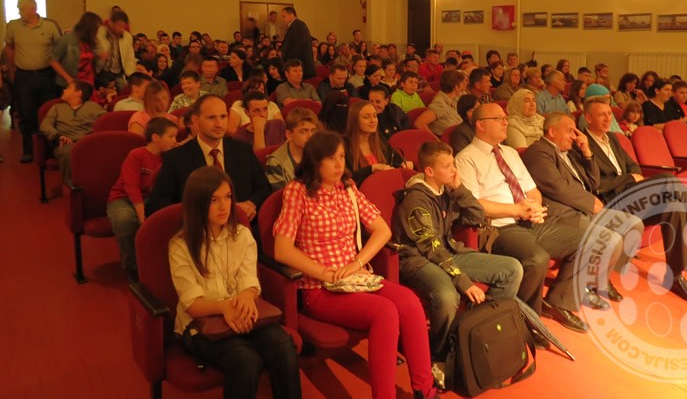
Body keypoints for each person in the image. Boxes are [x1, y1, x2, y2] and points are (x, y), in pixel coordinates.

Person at [273, 132, 440, 399]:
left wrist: (357, 262)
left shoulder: (348, 188)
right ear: (315, 161)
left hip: (355, 277)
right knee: (385, 312)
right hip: (320, 287)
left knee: (409, 302)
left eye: (341, 157)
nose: (339, 164)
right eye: (331, 158)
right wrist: (326, 273)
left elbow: (382, 231)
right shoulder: (298, 191)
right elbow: (282, 250)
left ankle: (425, 389)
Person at [583, 101, 687, 303]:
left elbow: (634, 166)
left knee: (674, 208)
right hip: (612, 203)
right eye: (602, 115)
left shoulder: (613, 139)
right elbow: (596, 185)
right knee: (667, 179)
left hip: (633, 197)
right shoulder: (582, 145)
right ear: (588, 118)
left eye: (609, 113)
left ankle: (675, 276)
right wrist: (629, 178)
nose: (608, 118)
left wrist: (632, 177)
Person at [454, 102, 588, 332]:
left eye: (505, 118)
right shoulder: (466, 158)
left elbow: (532, 190)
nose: (505, 122)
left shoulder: (510, 153)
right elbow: (474, 205)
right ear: (480, 125)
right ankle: (527, 320)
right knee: (537, 258)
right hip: (498, 228)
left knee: (587, 238)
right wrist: (516, 209)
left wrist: (534, 206)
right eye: (498, 118)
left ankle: (558, 302)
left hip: (528, 221)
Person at [169, 167, 301, 399]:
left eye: (228, 197)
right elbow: (192, 305)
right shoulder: (181, 245)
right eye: (214, 200)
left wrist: (247, 297)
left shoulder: (241, 235)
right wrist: (225, 307)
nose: (224, 206)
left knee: (283, 346)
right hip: (201, 323)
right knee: (245, 360)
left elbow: (250, 281)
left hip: (241, 311)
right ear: (197, 203)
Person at [394, 141, 524, 363]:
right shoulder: (416, 200)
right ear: (429, 171)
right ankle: (437, 353)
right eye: (447, 166)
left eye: (453, 164)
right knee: (447, 296)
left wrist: (460, 189)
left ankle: (475, 333)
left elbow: (476, 216)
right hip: (418, 259)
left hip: (447, 251)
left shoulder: (446, 191)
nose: (454, 170)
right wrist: (463, 282)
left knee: (512, 269)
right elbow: (431, 248)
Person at [522, 112, 643, 305]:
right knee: (611, 240)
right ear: (552, 131)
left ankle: (600, 279)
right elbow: (558, 187)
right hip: (563, 212)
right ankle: (585, 286)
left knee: (633, 224)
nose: (574, 136)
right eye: (570, 131)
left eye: (575, 131)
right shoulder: (539, 151)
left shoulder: (570, 151)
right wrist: (590, 202)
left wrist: (586, 151)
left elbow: (594, 183)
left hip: (582, 207)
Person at [146, 95, 271, 221]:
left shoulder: (242, 150)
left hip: (241, 224)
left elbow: (264, 188)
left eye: (223, 117)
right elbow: (155, 204)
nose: (219, 124)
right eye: (211, 118)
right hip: (198, 226)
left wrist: (251, 203)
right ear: (195, 120)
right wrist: (201, 212)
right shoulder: (176, 158)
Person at [107, 117, 177, 281]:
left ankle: (162, 268)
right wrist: (142, 215)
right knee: (125, 221)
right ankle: (134, 271)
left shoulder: (169, 157)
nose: (175, 141)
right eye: (171, 136)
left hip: (151, 199)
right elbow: (131, 187)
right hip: (123, 198)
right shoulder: (137, 155)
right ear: (156, 137)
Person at [4, 0, 62, 162]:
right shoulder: (13, 26)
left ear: (33, 9)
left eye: (21, 9)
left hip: (47, 76)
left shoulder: (50, 26)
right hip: (24, 76)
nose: (19, 12)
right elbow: (9, 48)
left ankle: (49, 150)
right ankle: (29, 150)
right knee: (26, 114)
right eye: (19, 9)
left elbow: (59, 49)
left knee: (48, 113)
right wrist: (12, 70)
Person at [40, 80, 106, 185]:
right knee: (69, 152)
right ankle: (71, 187)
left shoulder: (94, 107)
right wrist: (58, 135)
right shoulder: (57, 108)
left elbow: (107, 123)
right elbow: (45, 126)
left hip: (87, 143)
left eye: (68, 88)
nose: (64, 90)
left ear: (78, 93)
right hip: (66, 143)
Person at [344, 100, 411, 186]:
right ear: (354, 120)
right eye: (366, 117)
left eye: (375, 116)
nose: (373, 120)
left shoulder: (379, 140)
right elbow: (348, 177)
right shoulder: (344, 145)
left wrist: (404, 164)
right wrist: (372, 168)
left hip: (386, 185)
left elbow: (395, 159)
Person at [265, 108, 318, 191]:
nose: (310, 136)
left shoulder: (319, 153)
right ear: (289, 135)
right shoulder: (275, 163)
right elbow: (283, 195)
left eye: (313, 131)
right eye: (303, 132)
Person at [51, 11, 103, 93]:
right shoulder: (67, 39)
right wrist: (68, 79)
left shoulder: (90, 41)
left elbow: (91, 62)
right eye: (96, 29)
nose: (97, 32)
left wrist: (99, 57)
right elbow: (53, 61)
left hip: (87, 83)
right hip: (69, 84)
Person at [415, 70, 467, 136]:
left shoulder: (456, 98)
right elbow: (419, 123)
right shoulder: (440, 103)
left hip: (460, 136)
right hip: (447, 139)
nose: (465, 86)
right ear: (456, 86)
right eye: (462, 83)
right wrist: (436, 140)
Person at [96, 9, 137, 90]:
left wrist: (131, 75)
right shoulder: (99, 33)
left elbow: (130, 58)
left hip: (119, 72)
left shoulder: (127, 37)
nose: (121, 29)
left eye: (123, 27)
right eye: (118, 26)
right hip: (102, 71)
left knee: (124, 91)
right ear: (110, 23)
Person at [279, 7, 315, 79]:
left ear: (292, 15)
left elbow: (297, 47)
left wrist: (289, 63)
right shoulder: (296, 25)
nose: (282, 19)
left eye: (284, 16)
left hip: (299, 67)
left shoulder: (298, 26)